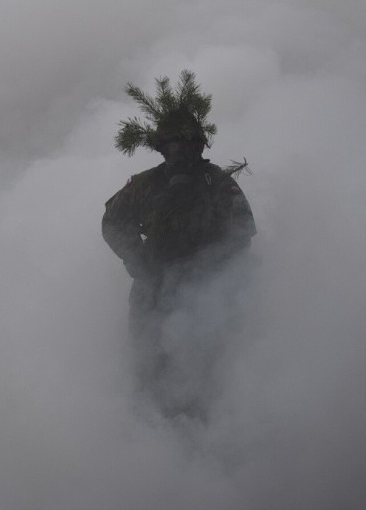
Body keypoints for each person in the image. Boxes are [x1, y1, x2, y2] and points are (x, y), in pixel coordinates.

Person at [102, 70, 256, 419]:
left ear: (199, 146)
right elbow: (113, 221)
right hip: (153, 290)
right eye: (171, 145)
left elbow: (243, 231)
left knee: (206, 377)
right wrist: (136, 256)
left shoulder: (216, 183)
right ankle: (147, 443)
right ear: (161, 147)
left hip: (205, 294)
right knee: (148, 372)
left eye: (186, 145)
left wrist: (215, 268)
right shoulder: (146, 184)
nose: (179, 153)